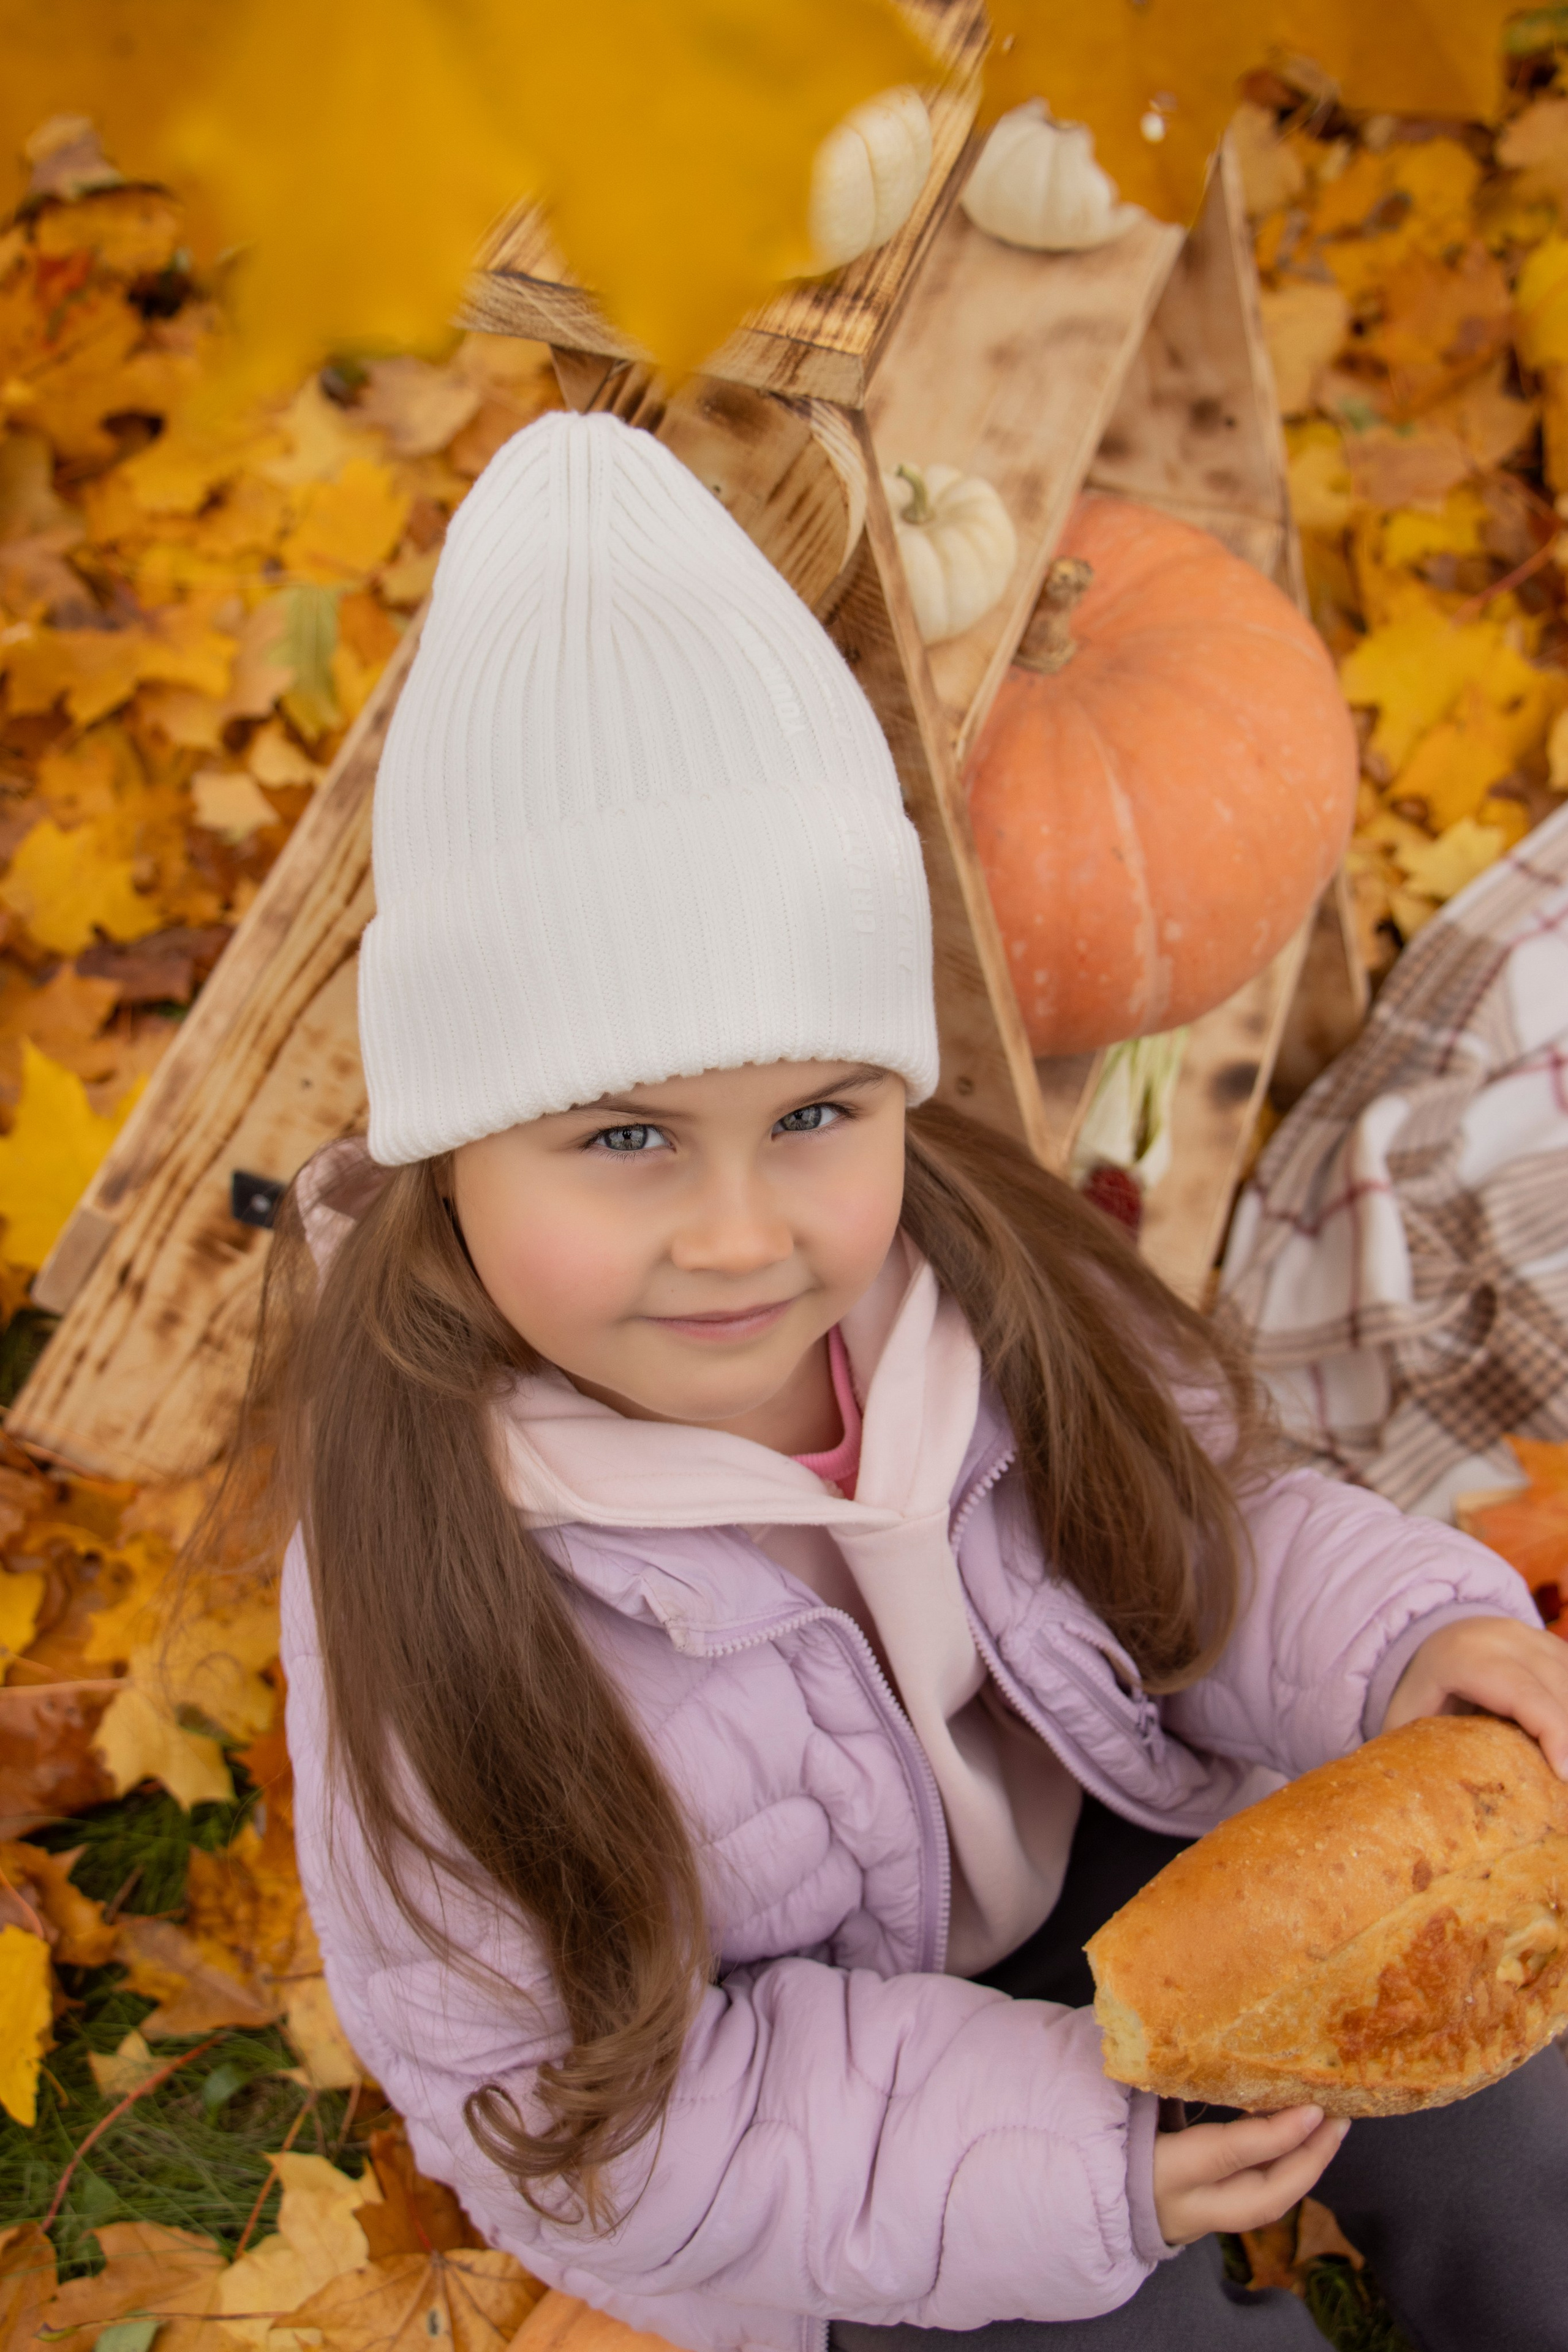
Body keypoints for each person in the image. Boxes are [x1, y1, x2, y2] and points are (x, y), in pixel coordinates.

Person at [256, 411, 1568, 2352]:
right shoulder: (432, 1596)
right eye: (623, 1139)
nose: (739, 1233)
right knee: (1138, 2335)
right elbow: (589, 2116)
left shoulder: (979, 1277)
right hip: (807, 2116)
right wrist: (1070, 2158)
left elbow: (1210, 1532)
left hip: (1116, 1823)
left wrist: (1395, 1644)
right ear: (457, 1146)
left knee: (1522, 2117)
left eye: (811, 1110)